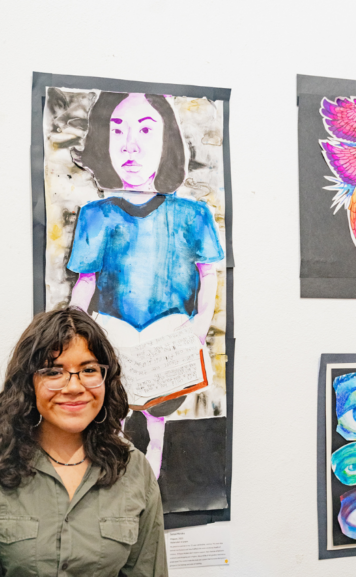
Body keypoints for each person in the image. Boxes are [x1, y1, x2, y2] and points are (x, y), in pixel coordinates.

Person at [67, 91, 225, 479]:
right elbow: (85, 282)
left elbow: (209, 275)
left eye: (145, 130)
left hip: (170, 336)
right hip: (113, 333)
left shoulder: (192, 213)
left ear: (166, 140)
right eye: (117, 130)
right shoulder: (95, 215)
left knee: (158, 415)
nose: (130, 145)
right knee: (114, 414)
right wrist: (74, 332)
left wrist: (199, 325)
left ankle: (154, 458)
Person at [0, 308, 167, 577]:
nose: (74, 387)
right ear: (29, 383)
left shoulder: (133, 469)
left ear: (105, 380)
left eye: (88, 369)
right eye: (53, 372)